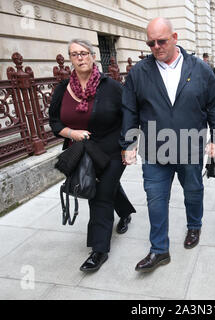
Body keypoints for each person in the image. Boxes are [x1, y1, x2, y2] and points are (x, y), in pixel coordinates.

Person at [120, 18, 215, 273]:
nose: (156, 46)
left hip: (190, 148)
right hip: (155, 151)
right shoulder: (139, 72)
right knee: (156, 200)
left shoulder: (200, 69)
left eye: (162, 41)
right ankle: (159, 250)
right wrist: (129, 142)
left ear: (175, 37)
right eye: (151, 43)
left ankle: (194, 225)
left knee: (193, 192)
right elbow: (129, 110)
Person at [49, 39, 135, 272]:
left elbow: (131, 116)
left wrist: (130, 145)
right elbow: (54, 122)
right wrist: (72, 133)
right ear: (70, 59)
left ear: (93, 56)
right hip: (82, 151)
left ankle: (99, 250)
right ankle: (126, 212)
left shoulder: (113, 87)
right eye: (74, 54)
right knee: (108, 187)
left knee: (100, 194)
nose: (80, 58)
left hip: (112, 150)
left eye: (84, 53)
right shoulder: (62, 89)